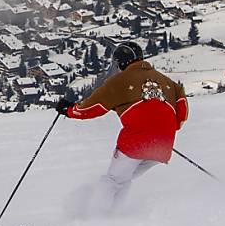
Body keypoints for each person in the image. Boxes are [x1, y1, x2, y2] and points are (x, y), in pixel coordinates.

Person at [55, 41, 189, 216]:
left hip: (136, 143)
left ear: (122, 62)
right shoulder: (167, 81)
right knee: (122, 179)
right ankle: (113, 219)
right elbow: (181, 112)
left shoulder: (121, 81)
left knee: (112, 181)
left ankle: (94, 221)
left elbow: (92, 108)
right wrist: (161, 130)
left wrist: (69, 110)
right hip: (163, 146)